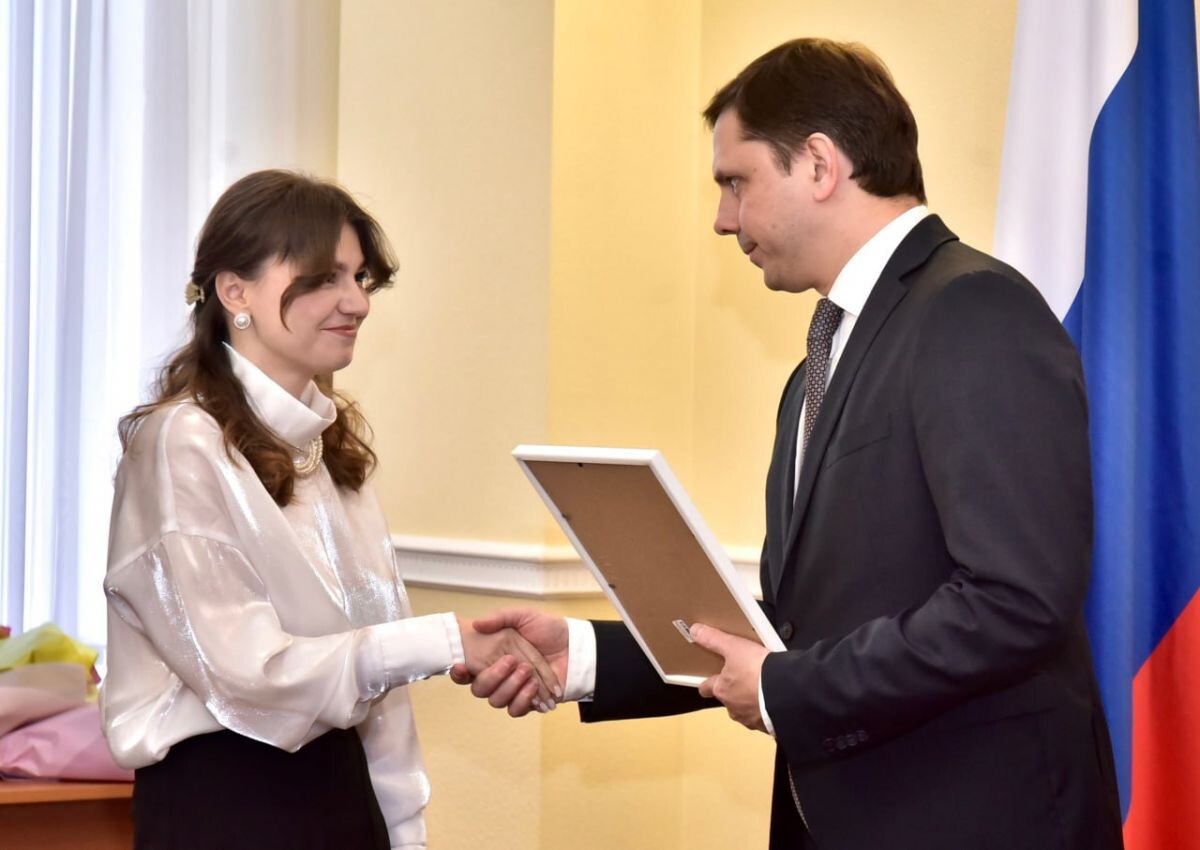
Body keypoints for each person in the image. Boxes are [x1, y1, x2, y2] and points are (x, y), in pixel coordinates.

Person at [454, 39, 1125, 849]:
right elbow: (803, 622)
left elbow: (1014, 602)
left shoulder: (973, 309)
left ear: (818, 163)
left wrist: (784, 689)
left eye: (735, 181)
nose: (722, 218)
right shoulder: (819, 359)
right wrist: (590, 656)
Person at [100, 170, 560, 850]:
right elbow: (248, 674)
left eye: (360, 277)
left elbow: (377, 689)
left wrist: (404, 828)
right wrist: (446, 641)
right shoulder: (180, 441)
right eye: (322, 278)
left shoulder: (327, 443)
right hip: (228, 805)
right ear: (234, 292)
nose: (357, 302)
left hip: (341, 797)